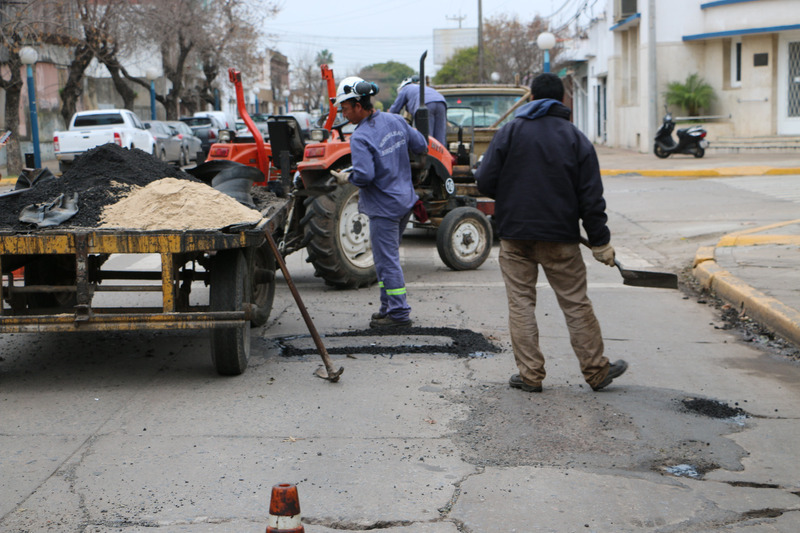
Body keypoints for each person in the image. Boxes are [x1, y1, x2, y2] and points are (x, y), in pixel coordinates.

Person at [475, 73, 628, 392]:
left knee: (520, 304)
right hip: (560, 240)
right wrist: (600, 241)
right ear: (562, 101)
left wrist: (513, 194)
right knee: (575, 303)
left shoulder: (510, 132)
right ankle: (596, 370)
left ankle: (530, 375)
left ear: (531, 98)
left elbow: (485, 182)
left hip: (515, 237)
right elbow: (591, 197)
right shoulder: (574, 137)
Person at [330, 76, 428, 328]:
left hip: (384, 207)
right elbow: (421, 145)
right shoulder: (395, 120)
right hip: (404, 200)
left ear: (358, 106)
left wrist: (346, 177)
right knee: (388, 257)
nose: (344, 113)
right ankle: (387, 307)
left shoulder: (360, 137)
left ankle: (398, 314)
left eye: (345, 108)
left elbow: (365, 176)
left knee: (387, 260)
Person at [388, 76, 447, 146]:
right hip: (441, 102)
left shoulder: (404, 89)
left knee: (426, 137)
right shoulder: (423, 88)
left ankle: (427, 155)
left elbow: (395, 109)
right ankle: (441, 155)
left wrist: (388, 118)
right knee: (440, 136)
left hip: (426, 104)